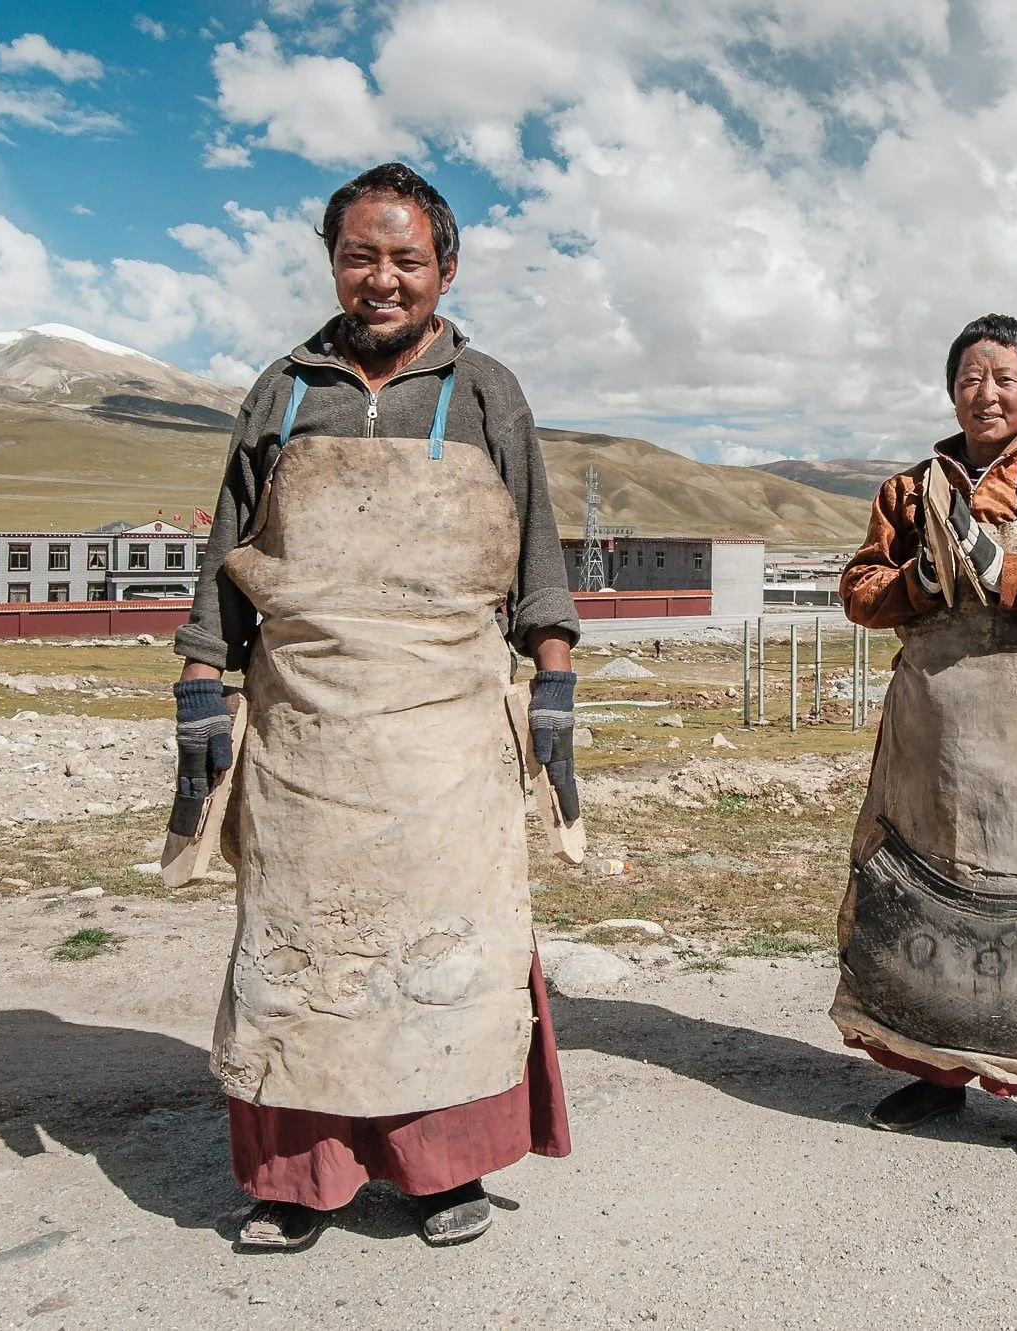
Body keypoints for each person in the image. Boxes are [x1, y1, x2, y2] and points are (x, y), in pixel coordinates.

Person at [171, 162, 579, 1248]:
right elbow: (228, 551)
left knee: (444, 954)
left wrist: (554, 683)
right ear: (332, 263)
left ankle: (441, 1170)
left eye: (406, 258)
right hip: (306, 726)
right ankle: (296, 1179)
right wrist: (200, 684)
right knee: (302, 949)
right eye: (361, 255)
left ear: (446, 267)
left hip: (445, 731)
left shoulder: (487, 388)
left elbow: (537, 547)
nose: (382, 279)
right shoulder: (281, 390)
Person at [832, 313, 1017, 1169]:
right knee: (922, 886)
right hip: (929, 732)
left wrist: (1004, 573)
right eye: (970, 376)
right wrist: (918, 582)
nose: (985, 391)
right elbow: (858, 589)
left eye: (1004, 377)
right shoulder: (908, 490)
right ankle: (934, 1072)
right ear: (950, 390)